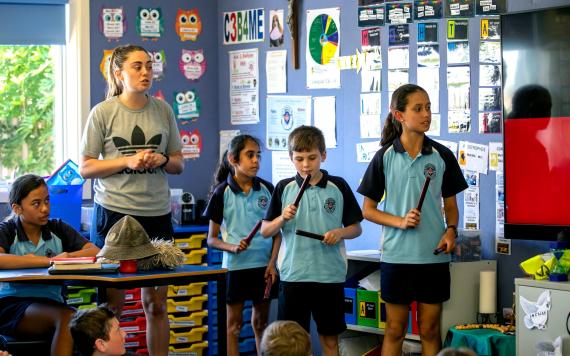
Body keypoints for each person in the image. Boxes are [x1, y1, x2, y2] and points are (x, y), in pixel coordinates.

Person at [80, 44, 184, 356]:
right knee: (112, 306)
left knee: (156, 302)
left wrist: (160, 159)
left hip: (157, 214)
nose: (145, 72)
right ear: (119, 73)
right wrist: (127, 161)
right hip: (114, 214)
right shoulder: (102, 112)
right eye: (137, 66)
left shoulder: (164, 110)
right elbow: (86, 167)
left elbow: (179, 163)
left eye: (149, 66)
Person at [357, 84, 467, 356]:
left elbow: (451, 207)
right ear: (399, 115)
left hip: (433, 257)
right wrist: (399, 221)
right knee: (395, 330)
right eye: (418, 108)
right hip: (397, 257)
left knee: (430, 330)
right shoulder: (384, 157)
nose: (426, 114)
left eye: (428, 107)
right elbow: (367, 210)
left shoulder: (443, 156)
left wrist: (451, 231)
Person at [261, 125, 363, 356]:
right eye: (299, 159)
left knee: (330, 341)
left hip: (329, 275)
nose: (306, 165)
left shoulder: (339, 186)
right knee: (293, 343)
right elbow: (266, 231)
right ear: (291, 158)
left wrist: (340, 232)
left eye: (312, 158)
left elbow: (356, 228)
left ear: (323, 155)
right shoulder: (283, 188)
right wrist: (281, 218)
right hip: (294, 275)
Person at [0, 174, 100, 356]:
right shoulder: (7, 230)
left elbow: (94, 251)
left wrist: (68, 256)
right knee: (69, 317)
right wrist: (50, 261)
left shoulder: (58, 228)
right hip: (12, 305)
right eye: (36, 203)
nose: (45, 208)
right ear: (17, 208)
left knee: (90, 323)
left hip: (53, 303)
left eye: (47, 200)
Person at [202, 134, 280, 356]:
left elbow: (277, 234)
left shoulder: (268, 189)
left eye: (258, 155)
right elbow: (212, 239)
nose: (256, 160)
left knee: (261, 325)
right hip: (236, 268)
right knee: (233, 327)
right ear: (233, 159)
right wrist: (232, 247)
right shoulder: (221, 193)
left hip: (263, 267)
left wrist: (273, 264)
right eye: (250, 155)